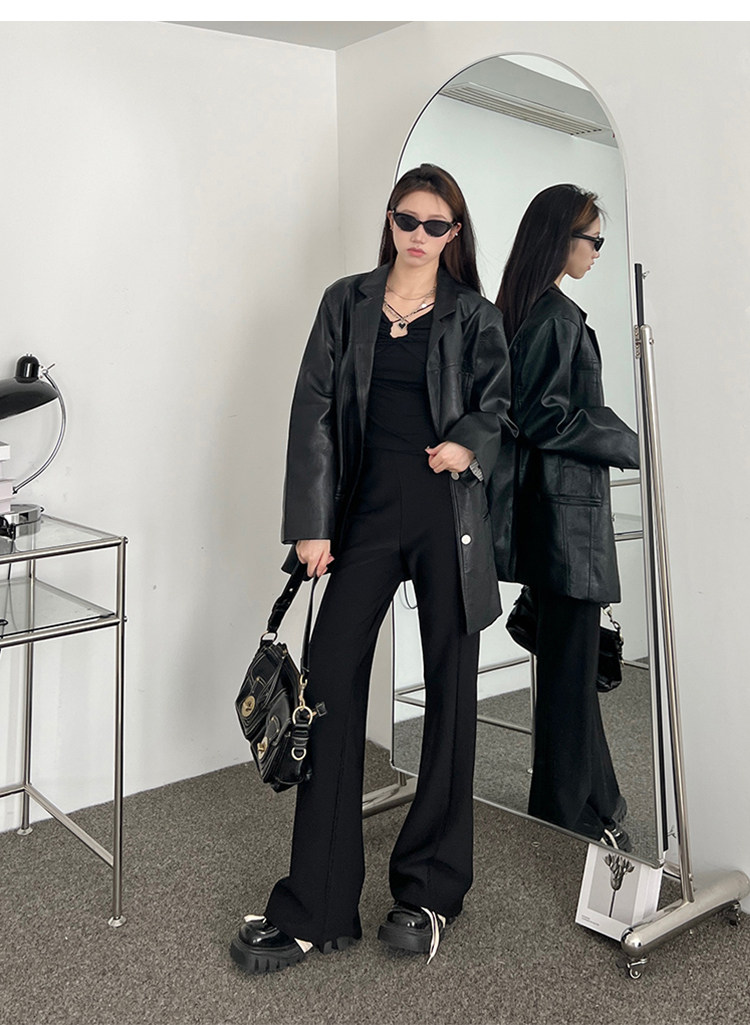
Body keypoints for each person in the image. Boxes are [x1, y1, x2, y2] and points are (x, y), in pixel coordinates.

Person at [230, 164, 512, 973]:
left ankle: (430, 891)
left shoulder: (475, 315)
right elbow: (313, 408)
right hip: (364, 514)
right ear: (390, 220)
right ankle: (316, 906)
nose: (420, 235)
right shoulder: (345, 302)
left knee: (451, 693)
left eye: (437, 225)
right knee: (327, 685)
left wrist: (466, 444)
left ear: (455, 234)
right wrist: (312, 525)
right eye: (407, 219)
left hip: (448, 516)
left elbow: (498, 406)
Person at [495, 184, 639, 849]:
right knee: (567, 673)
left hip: (556, 514)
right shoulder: (553, 317)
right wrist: (627, 440)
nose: (598, 252)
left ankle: (591, 799)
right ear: (561, 239)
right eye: (593, 239)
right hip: (565, 520)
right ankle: (566, 808)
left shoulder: (537, 310)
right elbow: (541, 414)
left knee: (569, 668)